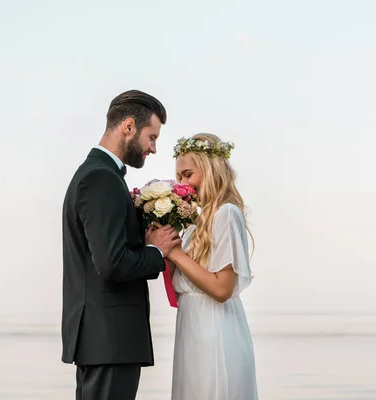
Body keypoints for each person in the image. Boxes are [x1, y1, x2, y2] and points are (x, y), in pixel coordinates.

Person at [61, 89, 181, 400]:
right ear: (128, 127)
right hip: (109, 340)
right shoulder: (101, 178)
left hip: (103, 342)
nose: (153, 148)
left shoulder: (99, 174)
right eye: (151, 137)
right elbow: (112, 263)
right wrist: (156, 251)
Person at [167, 133, 258, 399]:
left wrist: (174, 253)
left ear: (210, 171)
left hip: (214, 328)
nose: (182, 183)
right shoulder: (196, 222)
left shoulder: (226, 214)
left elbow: (222, 289)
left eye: (187, 174)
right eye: (179, 176)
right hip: (191, 325)